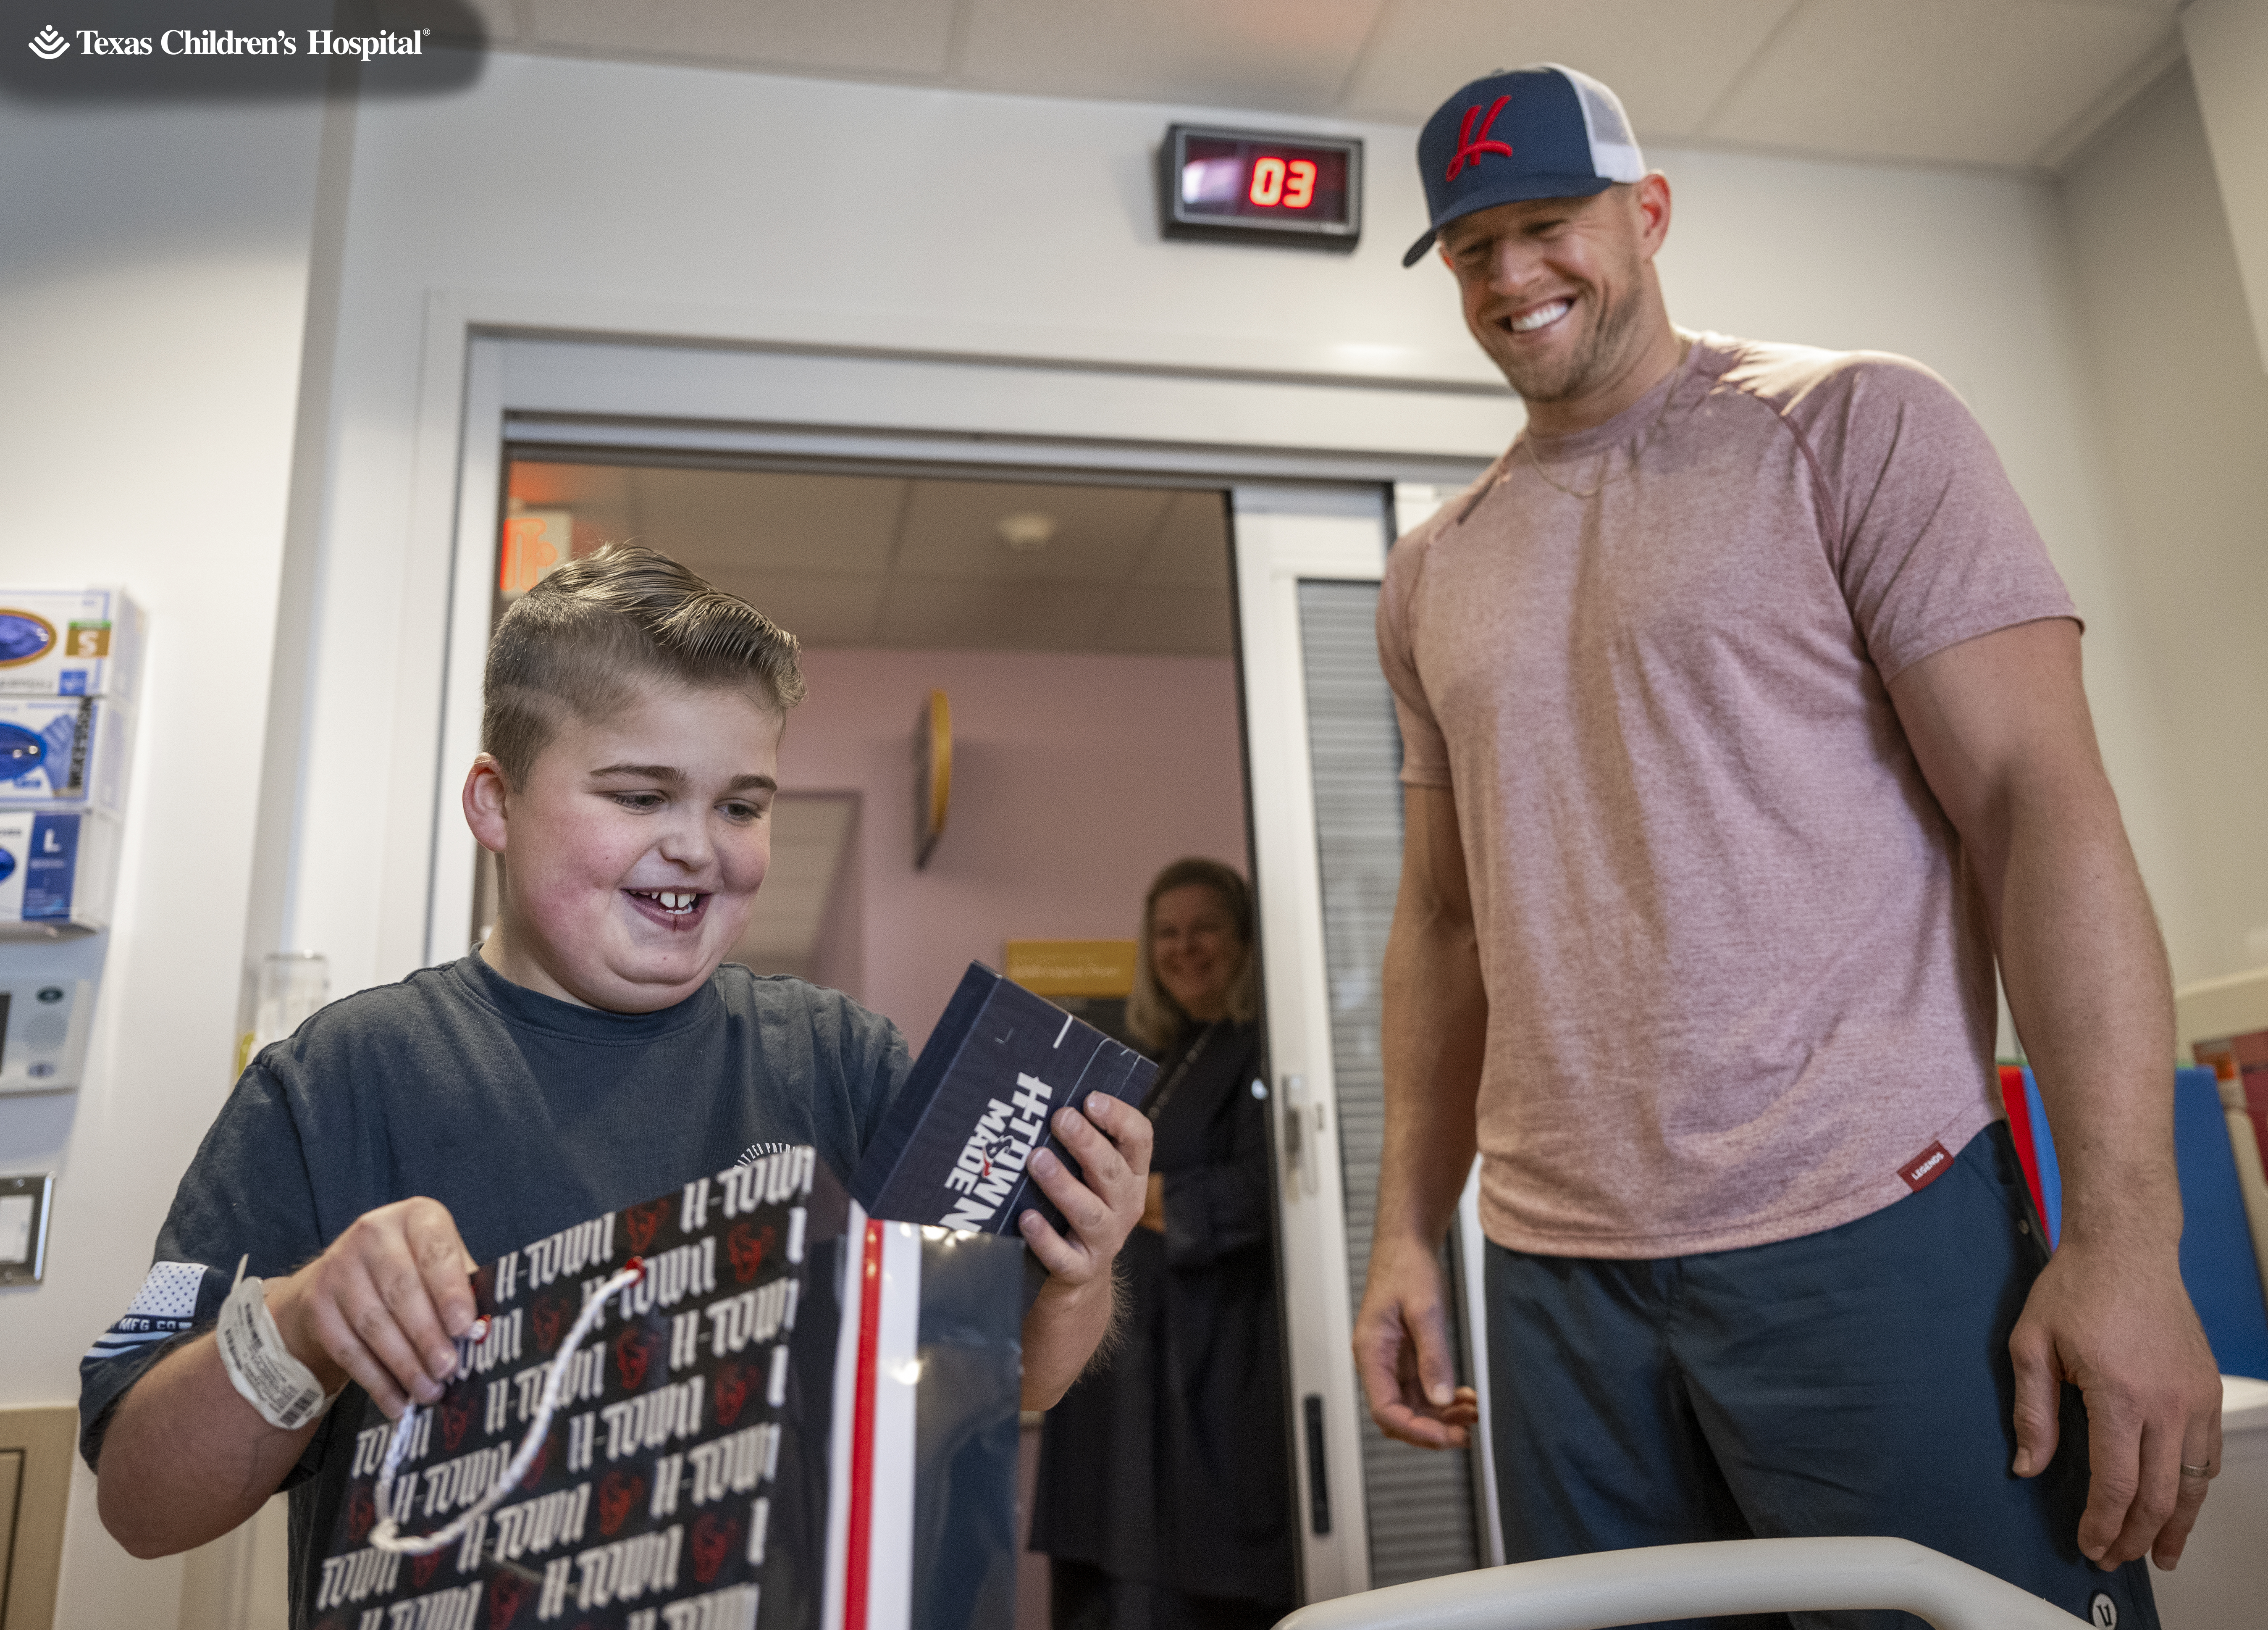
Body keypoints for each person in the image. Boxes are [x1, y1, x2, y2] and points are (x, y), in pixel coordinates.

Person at [1351, 62, 2222, 1630]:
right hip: (1556, 1279)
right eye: (1471, 249)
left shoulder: (1851, 426)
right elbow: (1442, 923)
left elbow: (2040, 802)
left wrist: (2126, 1238)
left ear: (1650, 213)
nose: (1511, 278)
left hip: (1867, 1229)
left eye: (1548, 225)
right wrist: (1407, 1230)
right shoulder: (1434, 569)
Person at [78, 546, 1151, 1619]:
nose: (696, 847)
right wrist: (307, 1313)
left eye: (742, 805)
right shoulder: (338, 1080)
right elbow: (140, 1502)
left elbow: (978, 1387)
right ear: (496, 803)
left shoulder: (839, 1059)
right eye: (641, 795)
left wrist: (1077, 1272)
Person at [1032, 858, 1296, 1630]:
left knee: (1188, 1585)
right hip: (1127, 1363)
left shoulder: (1269, 1053)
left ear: (1245, 940)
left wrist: (1124, 1198)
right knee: (1106, 1576)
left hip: (1214, 1369)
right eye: (1168, 934)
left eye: (1205, 929)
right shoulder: (1163, 1056)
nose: (1185, 949)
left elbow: (1260, 1196)